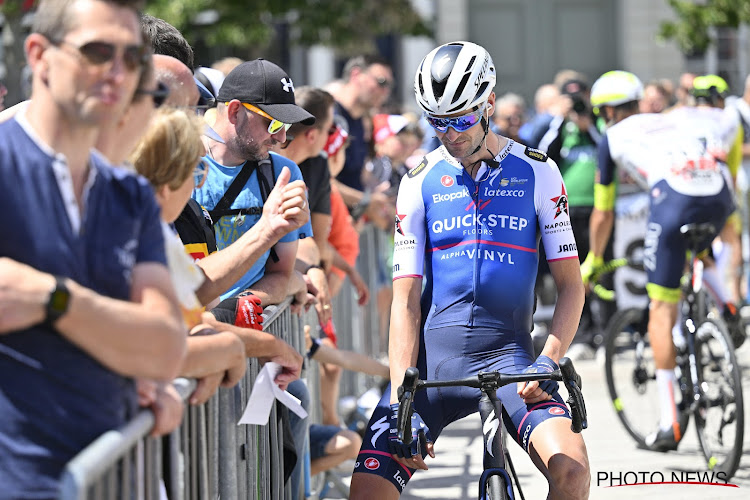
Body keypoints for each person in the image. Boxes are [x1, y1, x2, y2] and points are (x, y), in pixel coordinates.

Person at [350, 41, 589, 500]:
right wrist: (403, 392)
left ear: (489, 103)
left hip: (515, 365)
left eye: (461, 118)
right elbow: (404, 302)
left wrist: (550, 360)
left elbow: (570, 288)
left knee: (573, 474)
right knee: (365, 495)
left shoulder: (539, 173)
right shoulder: (419, 180)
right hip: (431, 370)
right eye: (437, 121)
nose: (450, 133)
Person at [0, 0, 187, 496]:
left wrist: (53, 299)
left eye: (132, 59)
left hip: (114, 480)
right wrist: (121, 343)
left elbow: (165, 348)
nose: (117, 73)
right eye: (98, 51)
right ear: (39, 55)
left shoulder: (130, 195)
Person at [582, 70, 736, 451]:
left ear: (605, 112)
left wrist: (593, 260)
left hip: (674, 199)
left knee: (660, 311)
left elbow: (603, 213)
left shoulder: (612, 136)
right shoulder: (670, 118)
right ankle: (728, 306)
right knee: (698, 250)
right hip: (718, 192)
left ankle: (670, 423)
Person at [192, 59, 315, 309]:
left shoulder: (283, 173)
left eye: (286, 125)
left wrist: (236, 311)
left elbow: (280, 275)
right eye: (274, 123)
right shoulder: (186, 166)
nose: (281, 138)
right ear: (235, 111)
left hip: (246, 329)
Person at [538, 78, 611, 348]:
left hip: (597, 207)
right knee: (572, 273)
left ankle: (605, 330)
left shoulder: (598, 124)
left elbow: (608, 148)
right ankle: (580, 334)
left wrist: (588, 126)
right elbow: (542, 154)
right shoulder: (559, 127)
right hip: (566, 209)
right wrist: (560, 119)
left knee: (600, 268)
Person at [329, 54, 393, 226]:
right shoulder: (330, 117)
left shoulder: (359, 120)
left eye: (389, 85)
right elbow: (322, 181)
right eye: (381, 82)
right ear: (356, 75)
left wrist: (385, 191)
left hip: (348, 228)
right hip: (326, 228)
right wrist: (366, 200)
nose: (385, 91)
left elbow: (360, 174)